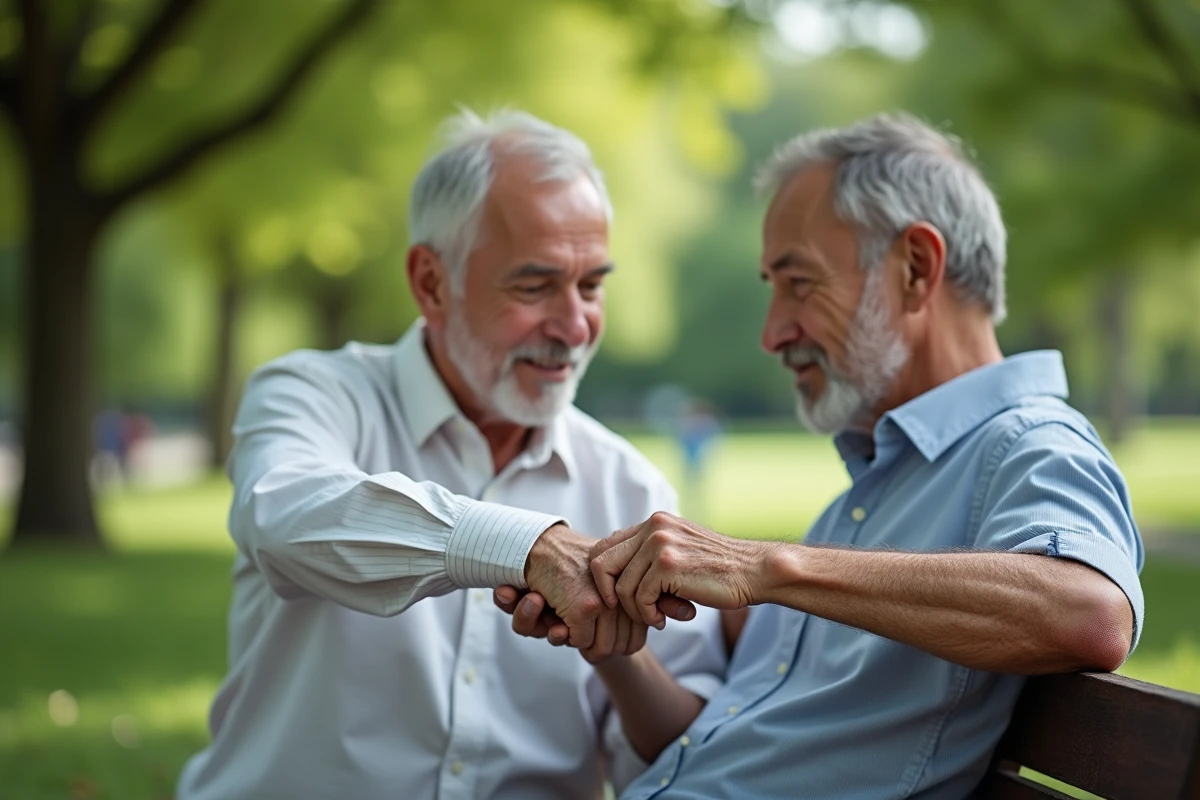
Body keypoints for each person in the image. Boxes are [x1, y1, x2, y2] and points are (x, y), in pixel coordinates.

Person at [500, 113, 1144, 798]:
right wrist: (614, 651)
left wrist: (762, 565)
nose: (773, 333)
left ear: (916, 269)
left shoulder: (1027, 443)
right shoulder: (869, 494)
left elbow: (1092, 612)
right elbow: (732, 746)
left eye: (798, 283)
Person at [177, 110, 726, 800]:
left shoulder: (629, 484)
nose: (575, 324)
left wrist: (616, 652)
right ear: (432, 283)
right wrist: (527, 547)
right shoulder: (314, 395)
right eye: (534, 286)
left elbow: (681, 763)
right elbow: (283, 517)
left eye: (591, 285)